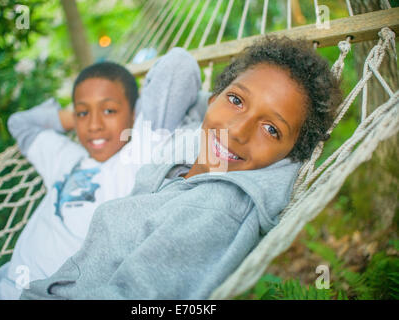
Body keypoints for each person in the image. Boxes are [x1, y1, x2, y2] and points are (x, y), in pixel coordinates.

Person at [20, 35, 343, 300]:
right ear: (213, 97)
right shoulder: (187, 156)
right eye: (236, 100)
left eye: (272, 130)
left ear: (289, 155)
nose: (237, 131)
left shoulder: (218, 207)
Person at [0, 48, 203, 300]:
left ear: (135, 114)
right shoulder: (64, 158)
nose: (94, 126)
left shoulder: (140, 153)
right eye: (83, 114)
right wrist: (84, 113)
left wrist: (131, 115)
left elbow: (178, 65)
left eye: (109, 111)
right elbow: (20, 123)